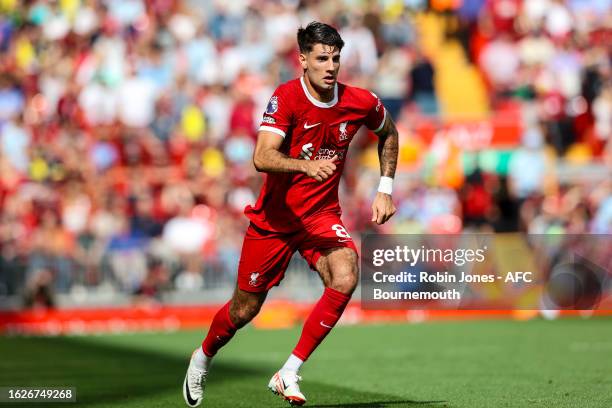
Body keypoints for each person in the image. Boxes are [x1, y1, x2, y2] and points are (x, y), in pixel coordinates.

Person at [183, 21, 398, 407]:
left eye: (335, 58)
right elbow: (261, 157)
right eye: (321, 59)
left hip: (319, 215)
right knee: (244, 309)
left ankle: (289, 371)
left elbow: (389, 133)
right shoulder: (285, 98)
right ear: (302, 60)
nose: (330, 67)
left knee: (346, 273)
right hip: (275, 222)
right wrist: (304, 166)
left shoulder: (360, 101)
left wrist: (385, 188)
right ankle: (202, 358)